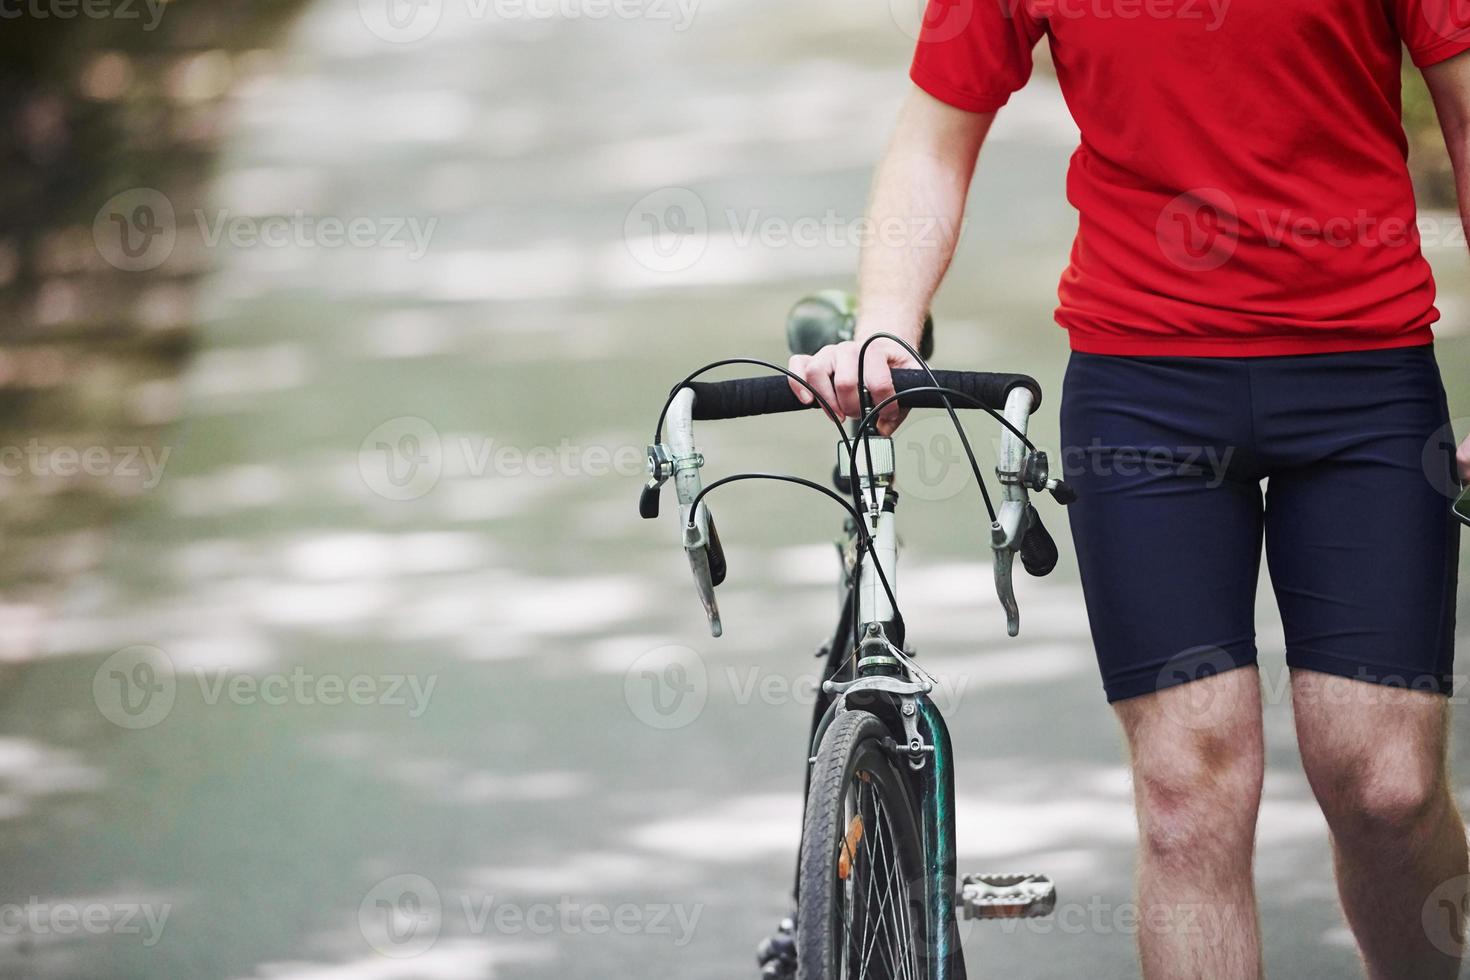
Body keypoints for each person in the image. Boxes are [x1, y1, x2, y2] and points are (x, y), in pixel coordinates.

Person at [787, 1, 1470, 976]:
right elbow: (937, 131)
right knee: (1188, 788)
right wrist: (889, 322)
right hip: (1145, 393)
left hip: (1365, 379)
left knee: (1387, 787)